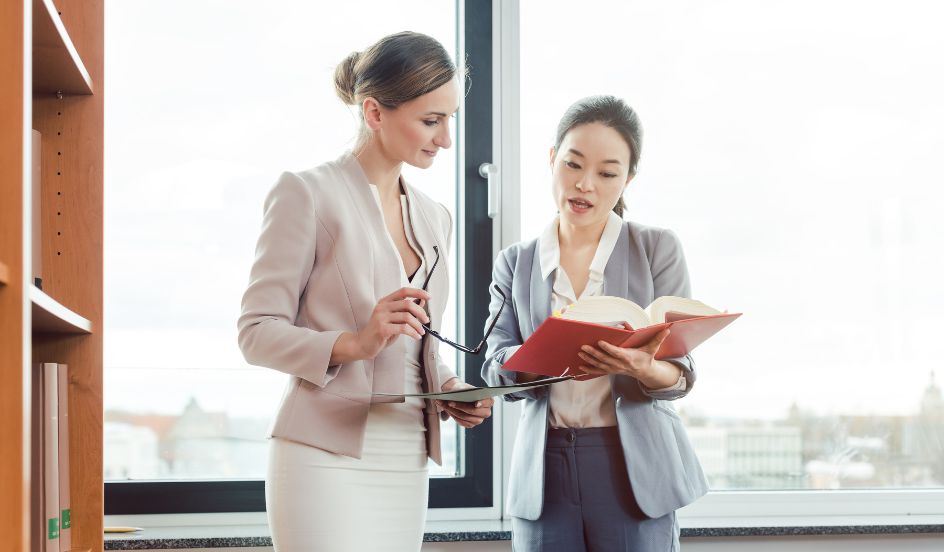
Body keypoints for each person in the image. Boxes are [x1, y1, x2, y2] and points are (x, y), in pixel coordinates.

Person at [237, 31, 493, 552]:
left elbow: (411, 341)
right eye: (430, 120)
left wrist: (448, 387)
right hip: (322, 451)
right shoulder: (305, 192)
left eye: (450, 120)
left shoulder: (434, 216)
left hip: (407, 451)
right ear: (374, 113)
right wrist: (353, 343)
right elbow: (255, 332)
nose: (445, 139)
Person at [482, 95, 708, 551]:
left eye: (607, 173)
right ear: (552, 160)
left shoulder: (657, 249)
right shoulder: (516, 262)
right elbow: (494, 365)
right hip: (544, 469)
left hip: (633, 467)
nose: (585, 185)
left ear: (627, 180)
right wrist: (545, 358)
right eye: (572, 165)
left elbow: (680, 373)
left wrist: (640, 367)